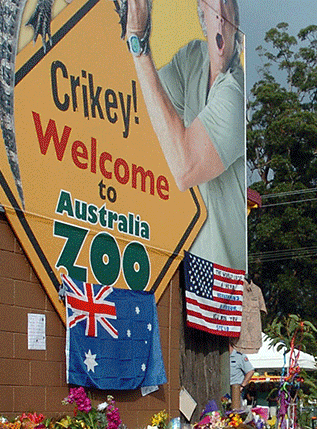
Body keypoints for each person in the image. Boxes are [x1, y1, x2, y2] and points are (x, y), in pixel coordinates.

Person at [120, 0, 247, 272]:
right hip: (183, 267)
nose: (221, 17)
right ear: (201, 16)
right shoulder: (193, 58)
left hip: (223, 281)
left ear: (237, 23)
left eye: (228, 8)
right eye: (213, 10)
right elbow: (142, 102)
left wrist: (139, 43)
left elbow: (185, 167)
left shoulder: (237, 92)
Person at [228, 343, 253, 410]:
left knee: (236, 411)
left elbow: (250, 371)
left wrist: (242, 385)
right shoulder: (221, 356)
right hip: (224, 389)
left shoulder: (239, 356)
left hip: (236, 389)